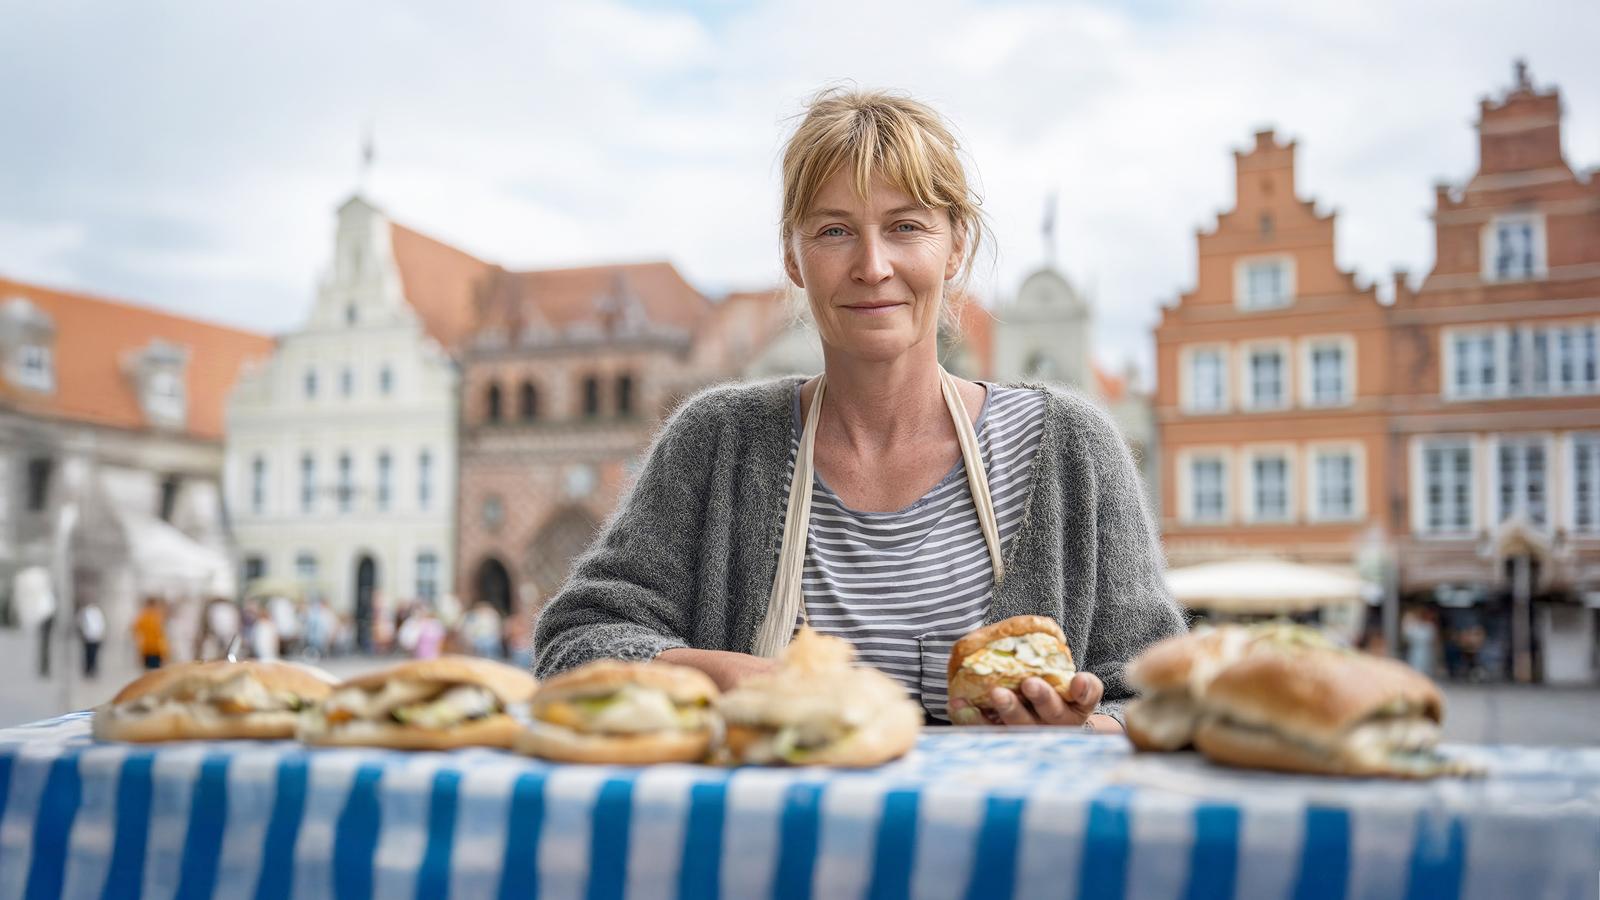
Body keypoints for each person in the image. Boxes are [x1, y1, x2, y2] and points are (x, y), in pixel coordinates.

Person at [534, 88, 1184, 731]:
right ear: (793, 256)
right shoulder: (718, 444)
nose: (873, 266)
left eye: (906, 227)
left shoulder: (1070, 450)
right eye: (835, 231)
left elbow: (1163, 700)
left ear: (955, 246)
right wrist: (730, 675)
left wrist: (1083, 728)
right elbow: (576, 643)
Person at [132, 597, 169, 671]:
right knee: (155, 672)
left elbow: (135, 630)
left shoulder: (143, 616)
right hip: (155, 649)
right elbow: (162, 634)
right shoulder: (157, 616)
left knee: (148, 672)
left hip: (147, 649)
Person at [76, 600, 106, 678]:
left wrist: (101, 634)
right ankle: (88, 669)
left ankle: (92, 669)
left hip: (95, 637)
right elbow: (81, 623)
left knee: (93, 654)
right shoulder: (85, 611)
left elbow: (101, 624)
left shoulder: (97, 612)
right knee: (88, 654)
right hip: (88, 637)